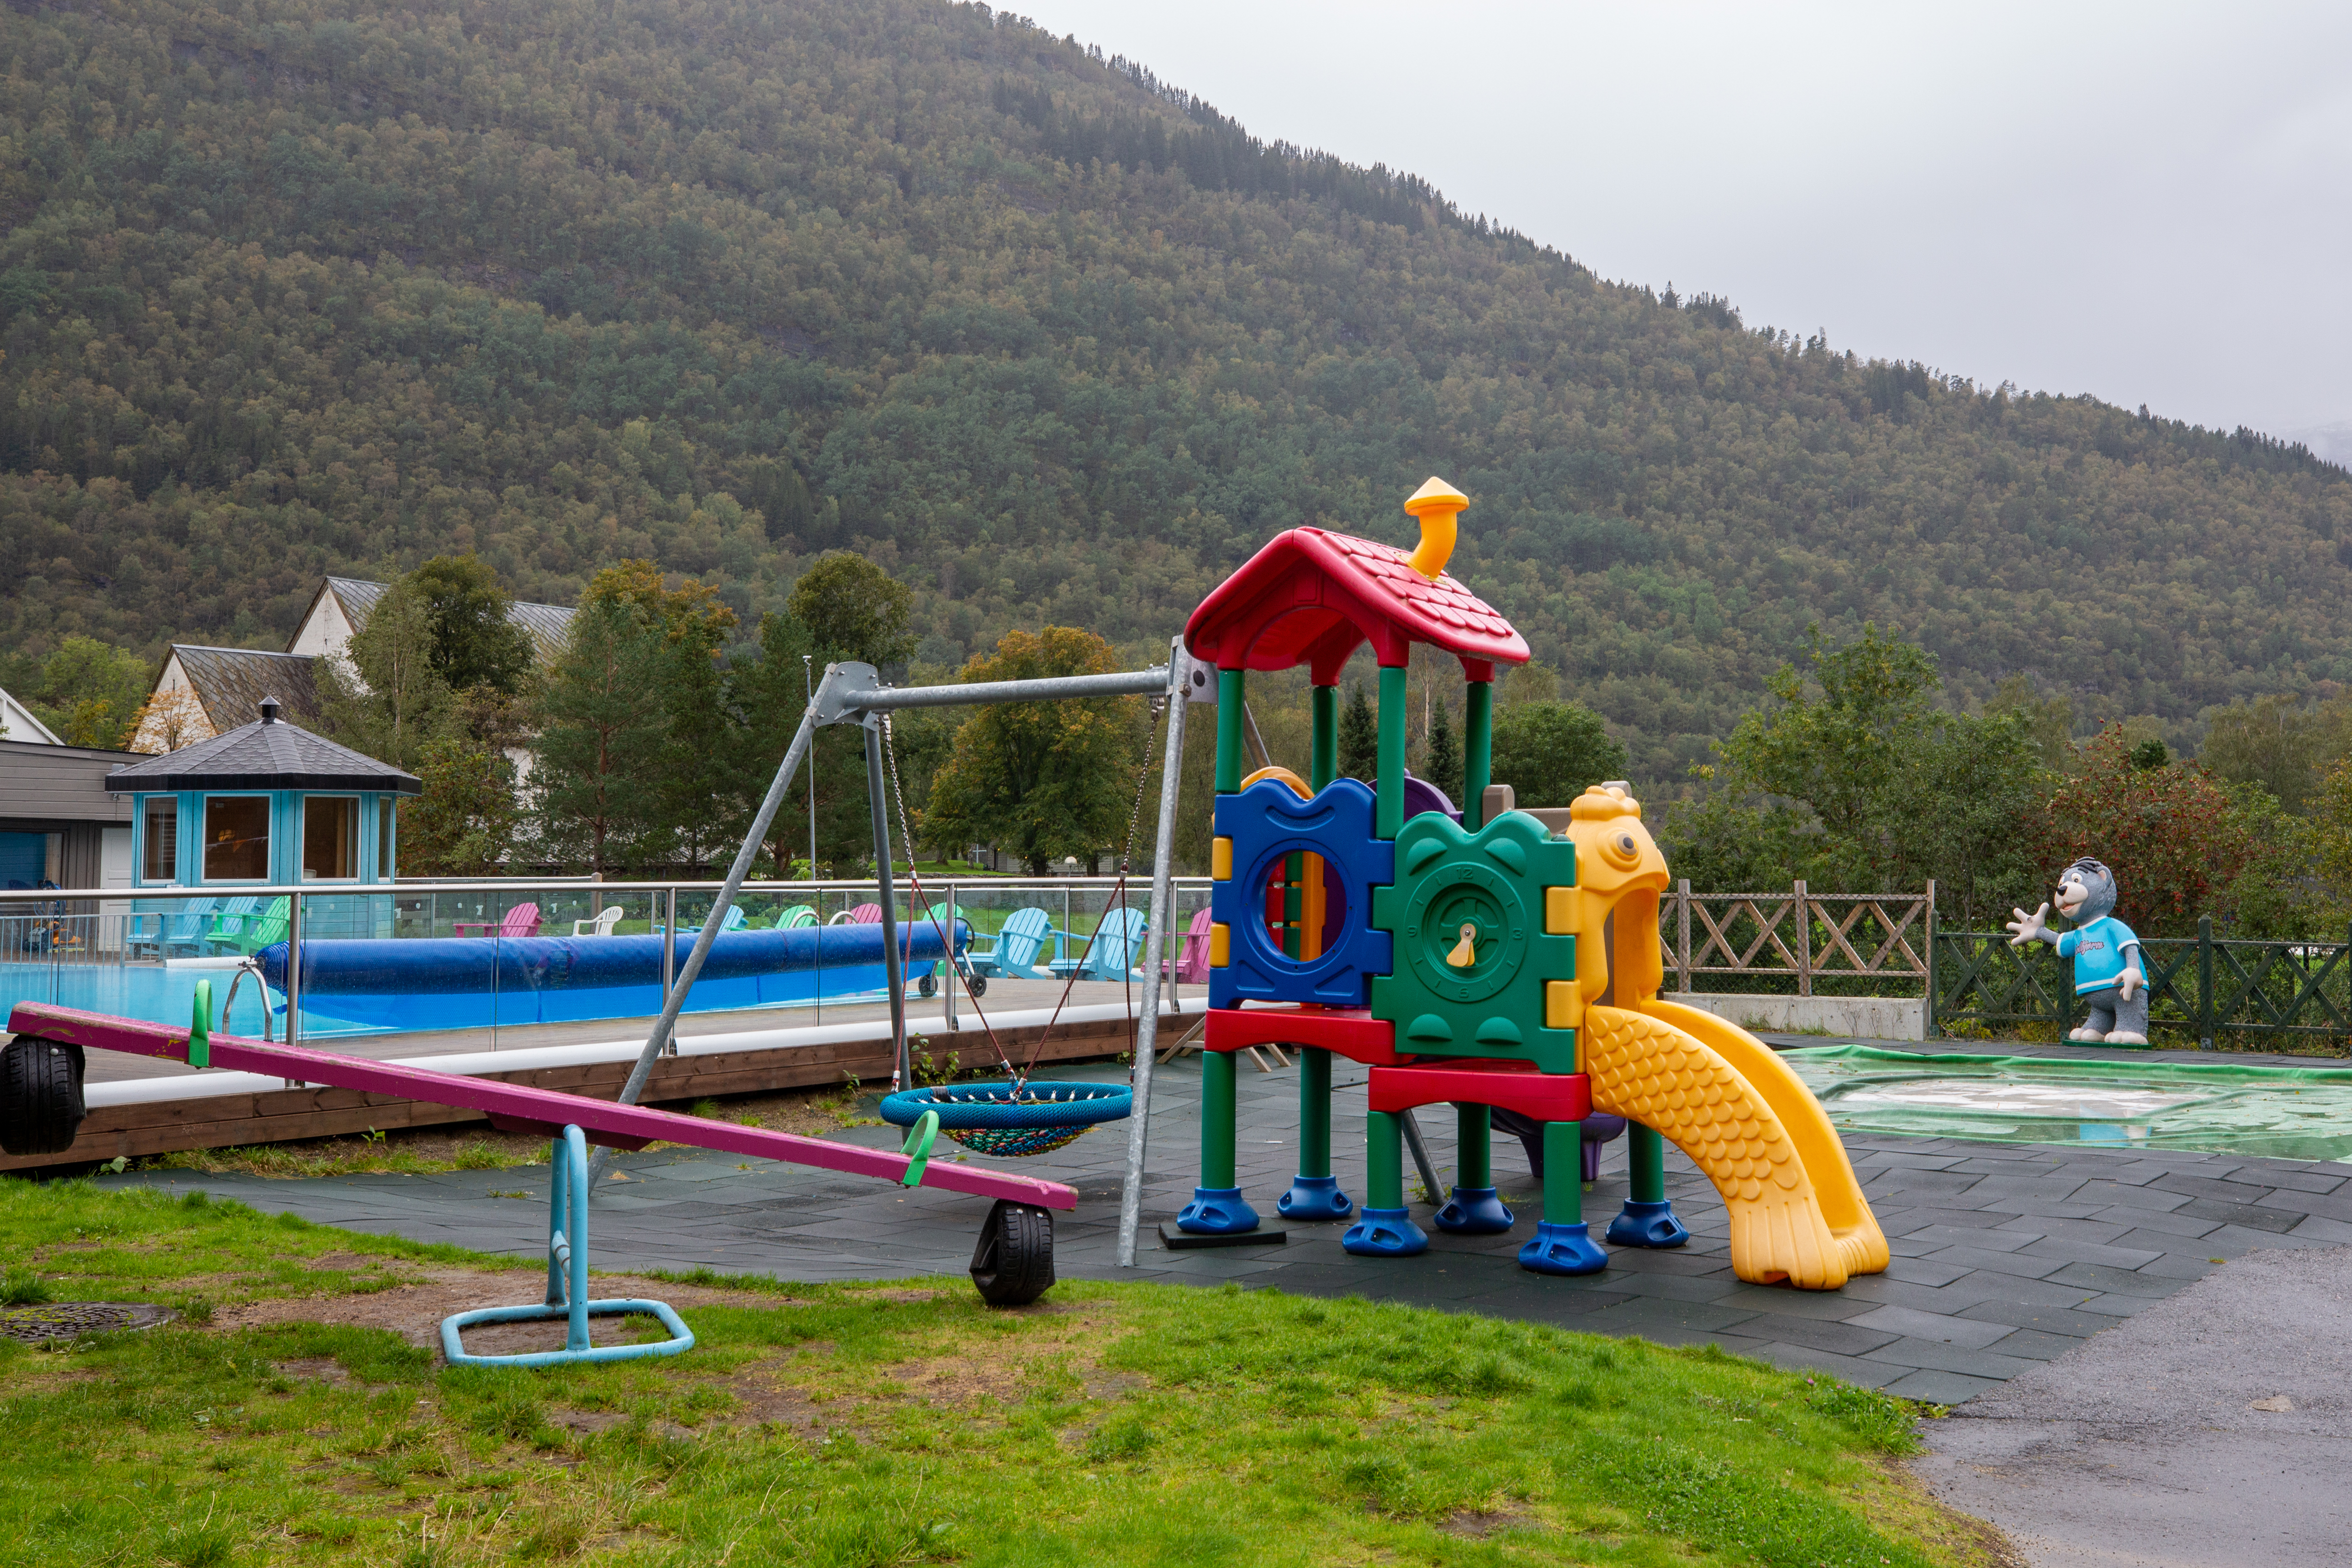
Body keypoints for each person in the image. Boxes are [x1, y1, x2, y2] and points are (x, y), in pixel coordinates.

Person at [2006, 857, 2148, 1045]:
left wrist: (2133, 969)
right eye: (2062, 883)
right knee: (2091, 1031)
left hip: (2124, 989)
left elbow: (2130, 945)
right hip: (2096, 1000)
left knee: (2127, 1016)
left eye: (2075, 881)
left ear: (2103, 878)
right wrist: (2038, 931)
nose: (2063, 889)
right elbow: (2060, 941)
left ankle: (2132, 1028)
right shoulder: (2079, 934)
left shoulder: (2110, 926)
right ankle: (2098, 1028)